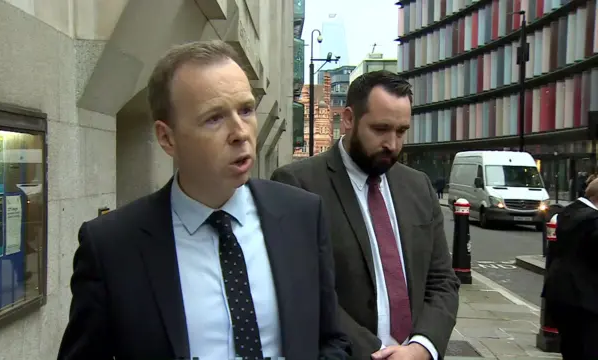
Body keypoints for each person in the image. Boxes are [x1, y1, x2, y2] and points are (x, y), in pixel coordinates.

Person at [57, 40, 351, 360]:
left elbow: (332, 340)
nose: (240, 132)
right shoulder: (111, 245)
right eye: (214, 118)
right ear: (167, 138)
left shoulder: (303, 215)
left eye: (246, 110)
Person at [271, 71, 460, 360]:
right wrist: (375, 353)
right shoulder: (297, 185)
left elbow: (442, 281)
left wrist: (423, 347)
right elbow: (305, 291)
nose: (392, 144)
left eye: (401, 131)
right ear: (348, 119)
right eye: (381, 129)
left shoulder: (418, 186)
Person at [542, 177, 598, 359]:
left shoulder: (567, 213)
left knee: (571, 348)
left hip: (559, 293)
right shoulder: (593, 221)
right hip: (586, 300)